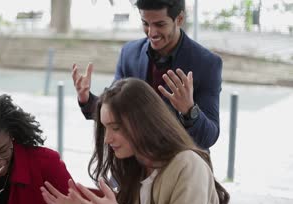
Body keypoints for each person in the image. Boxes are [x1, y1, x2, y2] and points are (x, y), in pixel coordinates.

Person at [41, 78, 233, 204]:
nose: (107, 139)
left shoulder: (188, 166)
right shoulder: (141, 168)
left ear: (144, 123)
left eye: (115, 128)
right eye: (105, 128)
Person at [72, 0, 222, 150]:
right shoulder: (129, 54)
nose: (151, 32)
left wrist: (189, 110)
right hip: (136, 163)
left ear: (180, 19)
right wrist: (86, 99)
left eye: (160, 24)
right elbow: (112, 111)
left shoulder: (207, 63)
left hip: (182, 164)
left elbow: (209, 137)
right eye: (145, 23)